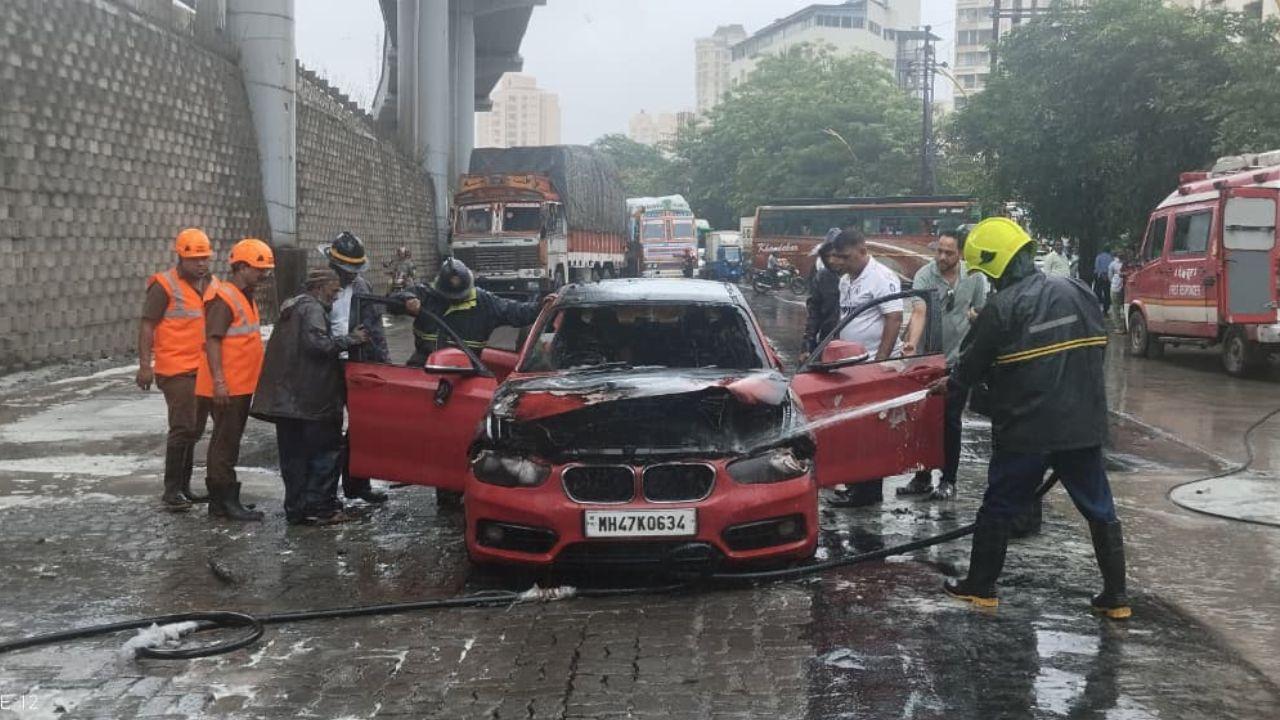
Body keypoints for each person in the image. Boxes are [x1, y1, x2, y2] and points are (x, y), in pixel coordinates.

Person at [932, 217, 1129, 620]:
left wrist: (948, 384)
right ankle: (1117, 598)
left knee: (999, 506)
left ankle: (980, 587)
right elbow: (1096, 349)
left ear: (996, 265)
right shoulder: (1079, 290)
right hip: (1082, 426)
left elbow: (968, 369)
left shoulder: (1001, 307)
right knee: (1100, 508)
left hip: (1026, 431)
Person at [251, 269, 370, 525]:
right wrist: (352, 339)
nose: (336, 295)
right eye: (333, 290)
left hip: (288, 402)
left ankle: (297, 508)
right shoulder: (312, 310)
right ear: (319, 287)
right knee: (324, 454)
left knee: (294, 458)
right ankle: (320, 508)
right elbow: (319, 345)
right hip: (313, 400)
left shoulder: (294, 308)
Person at [899, 229, 987, 501]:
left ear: (960, 253)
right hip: (926, 361)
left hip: (957, 362)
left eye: (949, 252)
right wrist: (911, 344)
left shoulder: (975, 277)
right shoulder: (925, 275)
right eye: (939, 251)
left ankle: (948, 479)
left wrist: (975, 317)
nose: (942, 257)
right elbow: (919, 312)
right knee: (922, 420)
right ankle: (922, 476)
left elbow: (981, 311)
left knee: (950, 421)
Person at [137, 228, 219, 511]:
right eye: (195, 259)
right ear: (181, 257)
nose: (201, 263)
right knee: (183, 427)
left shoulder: (211, 283)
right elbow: (147, 325)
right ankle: (172, 491)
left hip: (203, 368)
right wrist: (145, 366)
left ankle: (183, 488)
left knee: (194, 430)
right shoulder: (164, 285)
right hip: (175, 369)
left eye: (204, 258)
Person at [195, 238, 274, 522]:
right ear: (241, 267)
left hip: (239, 384)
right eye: (258, 269)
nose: (263, 275)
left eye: (265, 270)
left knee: (229, 442)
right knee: (224, 444)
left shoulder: (243, 295)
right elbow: (212, 340)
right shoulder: (224, 298)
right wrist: (219, 382)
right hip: (227, 386)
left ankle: (223, 501)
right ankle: (224, 502)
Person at [828, 228, 904, 507]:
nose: (841, 262)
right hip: (852, 366)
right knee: (854, 429)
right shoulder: (845, 281)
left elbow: (894, 319)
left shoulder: (882, 278)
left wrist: (879, 363)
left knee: (871, 432)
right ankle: (856, 485)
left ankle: (868, 493)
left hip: (874, 366)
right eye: (838, 257)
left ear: (862, 251)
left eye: (846, 257)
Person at [319, 231, 390, 505]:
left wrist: (384, 365)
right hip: (326, 365)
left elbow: (375, 330)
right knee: (327, 428)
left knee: (361, 426)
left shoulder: (363, 287)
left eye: (354, 271)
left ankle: (358, 484)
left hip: (355, 364)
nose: (350, 275)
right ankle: (325, 494)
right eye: (346, 270)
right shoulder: (317, 287)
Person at [396, 257, 542, 367]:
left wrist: (542, 305)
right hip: (422, 370)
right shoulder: (426, 294)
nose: (454, 300)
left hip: (466, 375)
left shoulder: (485, 303)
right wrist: (407, 299)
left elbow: (519, 312)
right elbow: (392, 302)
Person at [802, 229, 845, 358]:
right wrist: (807, 345)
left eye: (837, 255)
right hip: (828, 341)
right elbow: (814, 312)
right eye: (828, 255)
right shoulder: (822, 276)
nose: (832, 260)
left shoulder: (858, 275)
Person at [1092, 246, 1114, 314]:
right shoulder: (1111, 257)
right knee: (1107, 294)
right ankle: (1106, 309)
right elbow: (1111, 268)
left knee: (1097, 292)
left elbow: (1096, 267)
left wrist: (1099, 274)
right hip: (1107, 277)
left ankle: (1096, 308)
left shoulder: (1099, 257)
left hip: (1100, 277)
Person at [1109, 252, 1126, 333]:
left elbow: (1110, 276)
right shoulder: (1128, 264)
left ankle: (1119, 327)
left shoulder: (1112, 264)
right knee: (1125, 308)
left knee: (1116, 308)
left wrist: (1113, 281)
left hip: (1115, 288)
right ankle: (1125, 326)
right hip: (1125, 288)